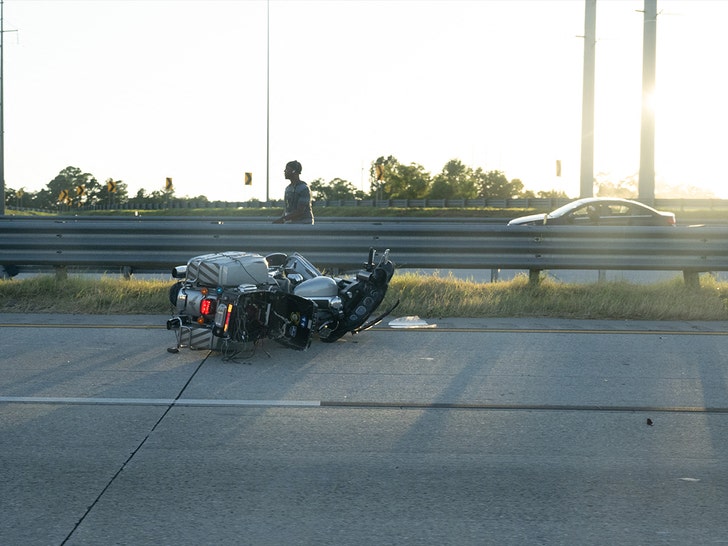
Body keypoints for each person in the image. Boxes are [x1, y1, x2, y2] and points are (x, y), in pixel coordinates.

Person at [273, 160, 314, 224]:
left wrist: (283, 219)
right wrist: (281, 220)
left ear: (294, 171)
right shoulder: (288, 189)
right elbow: (287, 209)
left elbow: (300, 211)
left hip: (304, 225)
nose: (284, 171)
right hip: (291, 224)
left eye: (287, 169)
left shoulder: (303, 188)